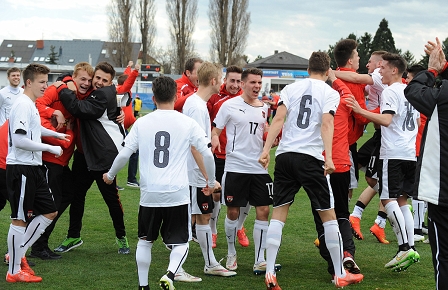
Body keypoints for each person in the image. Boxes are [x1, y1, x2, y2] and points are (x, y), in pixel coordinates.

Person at [260, 52, 363, 289]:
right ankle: (339, 274)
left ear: (307, 70)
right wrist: (328, 157)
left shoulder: (291, 89)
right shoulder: (330, 92)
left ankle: (270, 273)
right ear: (328, 72)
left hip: (285, 156)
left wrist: (266, 150)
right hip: (310, 158)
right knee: (329, 215)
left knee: (279, 213)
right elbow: (327, 123)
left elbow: (278, 120)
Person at [102, 75, 217, 290]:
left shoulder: (142, 123)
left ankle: (143, 286)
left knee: (145, 241)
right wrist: (210, 181)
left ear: (153, 98)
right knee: (182, 242)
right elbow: (208, 155)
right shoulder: (187, 122)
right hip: (177, 193)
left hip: (150, 193)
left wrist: (110, 175)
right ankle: (171, 274)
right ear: (176, 96)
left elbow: (124, 154)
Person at [346, 53, 420, 272]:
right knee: (402, 200)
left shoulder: (390, 91)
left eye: (383, 68)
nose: (380, 72)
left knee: (388, 199)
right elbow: (414, 121)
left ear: (394, 70)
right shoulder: (411, 91)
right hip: (409, 152)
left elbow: (386, 120)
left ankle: (404, 248)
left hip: (393, 153)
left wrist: (361, 111)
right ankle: (411, 246)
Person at [53, 61, 130, 255]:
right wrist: (67, 80)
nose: (99, 82)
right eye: (97, 78)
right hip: (84, 155)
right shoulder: (94, 92)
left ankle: (122, 237)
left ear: (111, 83)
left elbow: (78, 107)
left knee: (112, 200)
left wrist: (62, 85)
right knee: (78, 197)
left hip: (103, 158)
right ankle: (73, 236)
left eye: (105, 80)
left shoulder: (103, 94)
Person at [211, 68, 281, 276]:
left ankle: (259, 260)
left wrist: (271, 141)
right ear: (243, 84)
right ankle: (231, 253)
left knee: (264, 210)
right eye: (253, 83)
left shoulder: (264, 109)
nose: (257, 87)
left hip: (259, 168)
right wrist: (214, 139)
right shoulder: (229, 106)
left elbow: (265, 130)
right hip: (235, 167)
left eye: (259, 83)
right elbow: (216, 130)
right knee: (233, 211)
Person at [6, 63, 68, 283]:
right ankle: (14, 270)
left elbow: (34, 128)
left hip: (33, 169)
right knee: (19, 220)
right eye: (42, 82)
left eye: (47, 81)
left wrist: (55, 135)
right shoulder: (22, 104)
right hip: (21, 169)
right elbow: (21, 140)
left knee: (50, 211)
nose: (46, 85)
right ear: (29, 82)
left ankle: (17, 254)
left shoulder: (30, 104)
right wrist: (50, 147)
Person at [30, 62, 94, 260]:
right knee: (48, 205)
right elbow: (37, 107)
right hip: (49, 158)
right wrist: (56, 117)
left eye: (89, 80)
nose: (86, 83)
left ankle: (39, 243)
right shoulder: (56, 89)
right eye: (82, 79)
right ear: (74, 77)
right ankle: (33, 246)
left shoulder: (79, 96)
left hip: (61, 160)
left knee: (68, 194)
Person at [183, 61, 235, 277]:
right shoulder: (196, 106)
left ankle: (209, 263)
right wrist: (208, 178)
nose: (222, 82)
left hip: (195, 174)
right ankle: (179, 269)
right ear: (213, 81)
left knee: (202, 216)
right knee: (196, 218)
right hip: (195, 175)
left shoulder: (198, 104)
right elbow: (195, 147)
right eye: (222, 78)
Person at [404, 37, 448, 288]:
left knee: (444, 257)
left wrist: (432, 69)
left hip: (442, 191)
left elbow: (413, 91)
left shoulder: (443, 95)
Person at [335, 51, 390, 244]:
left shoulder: (378, 76)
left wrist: (332, 74)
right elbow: (362, 87)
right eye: (362, 60)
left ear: (381, 64)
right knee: (368, 177)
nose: (366, 64)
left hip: (386, 134)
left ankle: (381, 219)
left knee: (378, 179)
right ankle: (350, 219)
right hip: (376, 134)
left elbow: (354, 77)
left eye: (370, 62)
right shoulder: (375, 81)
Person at [312, 68, 362, 280]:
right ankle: (347, 253)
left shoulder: (318, 104)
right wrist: (335, 78)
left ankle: (334, 262)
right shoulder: (342, 100)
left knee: (321, 216)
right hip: (341, 163)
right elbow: (351, 101)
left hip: (319, 164)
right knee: (342, 213)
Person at [207, 65, 251, 249]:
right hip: (219, 154)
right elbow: (208, 124)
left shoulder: (247, 99)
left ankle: (240, 227)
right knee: (216, 195)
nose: (234, 85)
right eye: (231, 80)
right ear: (225, 80)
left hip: (241, 156)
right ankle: (213, 231)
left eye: (237, 81)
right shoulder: (215, 99)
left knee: (245, 196)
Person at [405, 64, 428, 243]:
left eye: (411, 79)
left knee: (418, 191)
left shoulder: (422, 98)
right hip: (417, 149)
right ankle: (421, 226)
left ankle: (417, 228)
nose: (407, 82)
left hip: (420, 149)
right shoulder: (424, 96)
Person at [116, 61, 141, 188]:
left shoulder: (121, 89)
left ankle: (129, 178)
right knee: (120, 153)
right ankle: (129, 178)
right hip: (118, 129)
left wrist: (129, 67)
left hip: (122, 128)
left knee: (130, 152)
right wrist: (135, 71)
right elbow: (128, 81)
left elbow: (126, 77)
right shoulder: (120, 91)